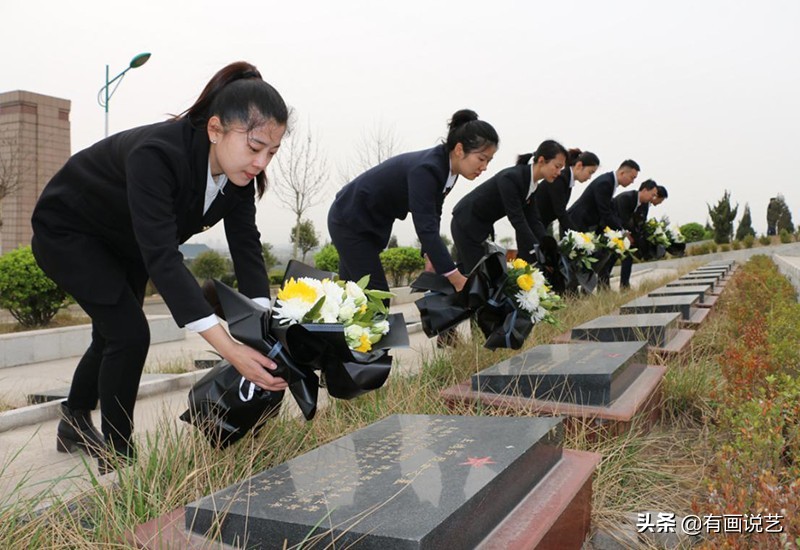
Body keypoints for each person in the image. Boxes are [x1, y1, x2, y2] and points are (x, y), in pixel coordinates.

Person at [31, 61, 290, 471]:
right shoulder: (159, 154)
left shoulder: (239, 179)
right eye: (255, 147)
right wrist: (230, 349)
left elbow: (246, 248)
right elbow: (164, 258)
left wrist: (263, 326)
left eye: (271, 152)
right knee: (130, 333)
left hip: (124, 241)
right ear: (216, 129)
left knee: (113, 332)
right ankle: (118, 458)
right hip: (70, 231)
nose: (261, 162)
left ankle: (74, 420)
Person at [328, 110, 499, 293]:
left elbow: (434, 213)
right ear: (459, 150)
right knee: (375, 298)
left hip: (368, 226)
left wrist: (430, 255)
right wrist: (456, 278)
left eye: (489, 161)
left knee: (351, 297)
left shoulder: (448, 172)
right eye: (481, 158)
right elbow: (425, 226)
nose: (484, 167)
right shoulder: (427, 169)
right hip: (350, 220)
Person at [450, 140, 567, 274]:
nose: (559, 173)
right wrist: (536, 250)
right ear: (541, 160)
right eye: (557, 166)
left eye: (561, 169)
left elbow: (534, 221)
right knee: (477, 278)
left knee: (467, 277)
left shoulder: (531, 185)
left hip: (478, 228)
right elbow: (516, 218)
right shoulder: (512, 178)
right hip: (466, 222)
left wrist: (548, 248)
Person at [567, 159, 640, 288]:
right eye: (632, 177)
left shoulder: (610, 182)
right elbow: (605, 213)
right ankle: (572, 292)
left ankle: (580, 290)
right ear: (623, 173)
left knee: (584, 261)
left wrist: (622, 229)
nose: (632, 181)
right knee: (576, 261)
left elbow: (610, 211)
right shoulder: (605, 183)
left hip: (585, 224)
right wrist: (621, 232)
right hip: (577, 222)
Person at [533, 149, 600, 237]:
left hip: (540, 224)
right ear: (579, 165)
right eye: (590, 172)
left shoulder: (567, 181)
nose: (590, 177)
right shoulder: (561, 179)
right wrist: (577, 235)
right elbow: (560, 212)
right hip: (533, 223)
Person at [612, 179, 659, 289]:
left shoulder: (644, 205)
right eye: (652, 195)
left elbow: (640, 222)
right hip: (613, 232)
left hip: (628, 235)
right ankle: (602, 285)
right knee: (610, 260)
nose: (652, 198)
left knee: (628, 258)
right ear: (644, 190)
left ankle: (624, 285)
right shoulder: (626, 198)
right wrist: (625, 234)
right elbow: (621, 219)